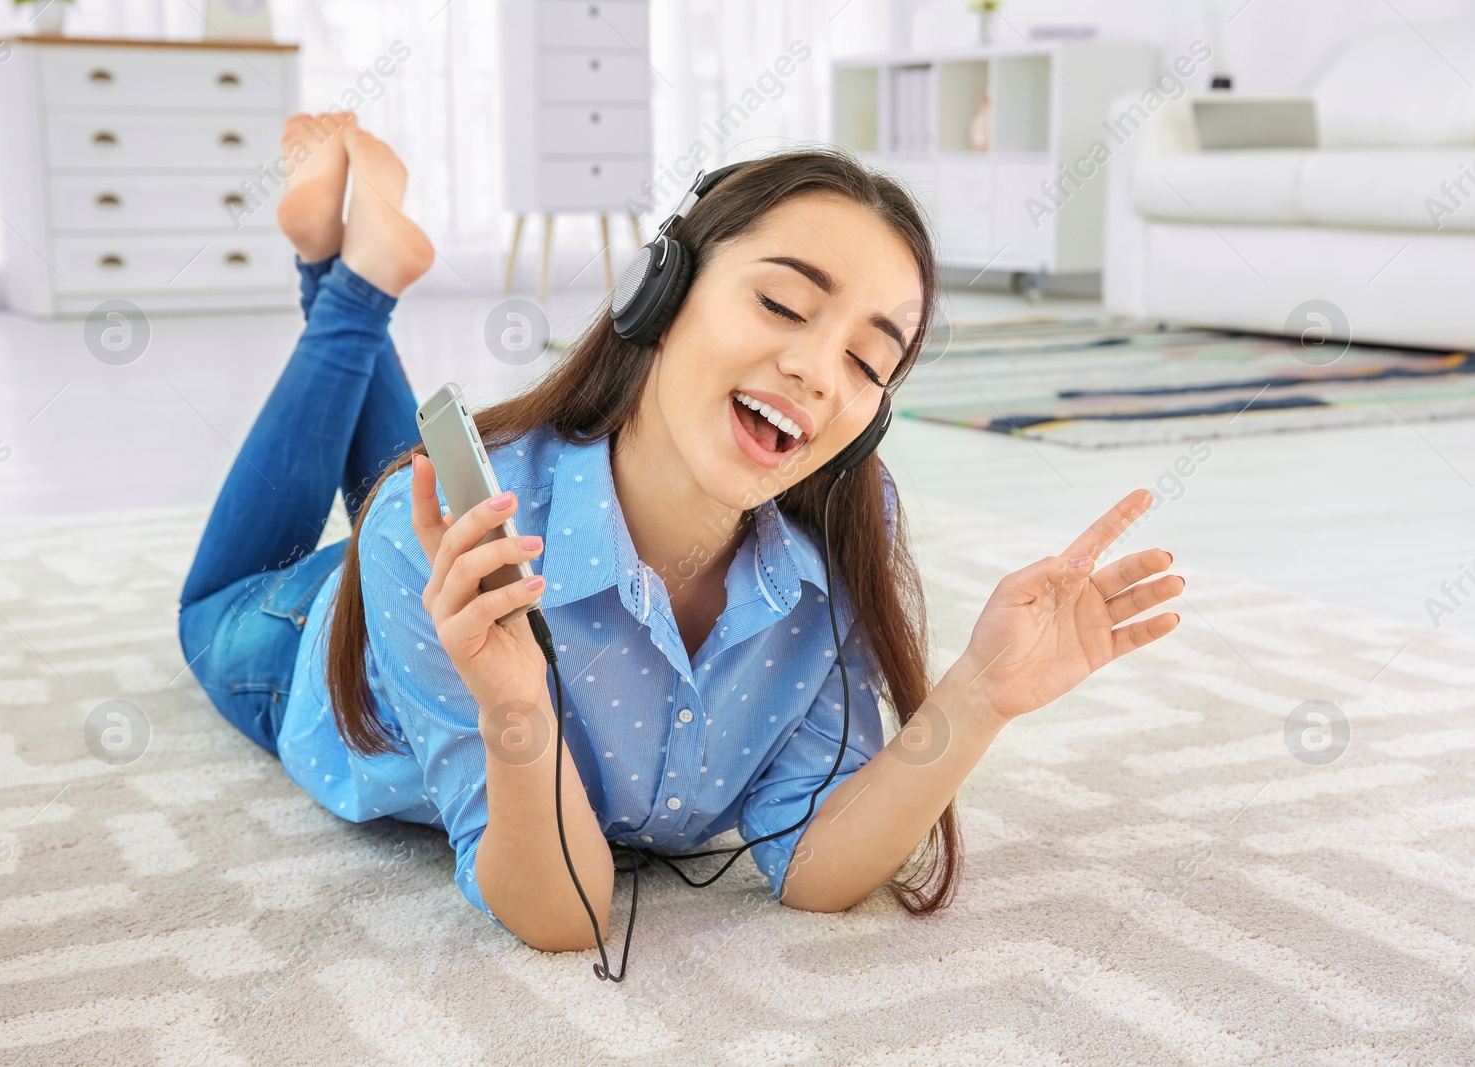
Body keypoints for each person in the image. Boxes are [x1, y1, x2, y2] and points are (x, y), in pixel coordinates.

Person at [177, 114, 1185, 955]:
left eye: (870, 361)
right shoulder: (412, 536)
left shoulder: (842, 529)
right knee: (224, 602)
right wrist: (514, 700)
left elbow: (813, 864)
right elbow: (562, 914)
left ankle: (342, 266)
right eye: (784, 302)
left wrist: (980, 695)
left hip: (456, 531)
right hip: (311, 638)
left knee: (430, 481)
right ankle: (350, 287)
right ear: (655, 295)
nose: (816, 371)